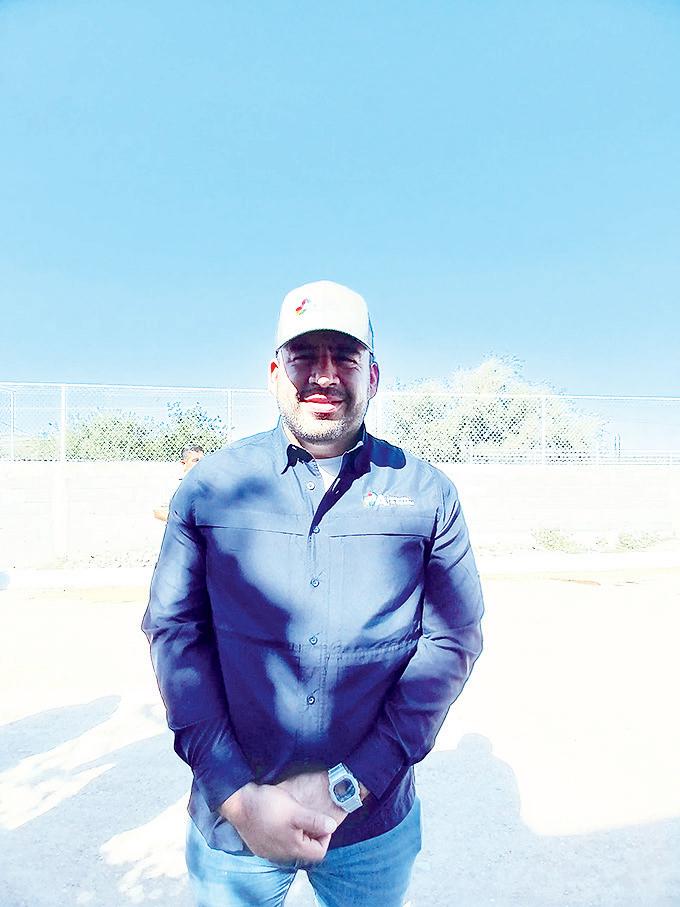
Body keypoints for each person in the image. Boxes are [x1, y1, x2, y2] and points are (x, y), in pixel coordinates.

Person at [142, 280, 484, 907]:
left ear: (372, 376)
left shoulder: (427, 494)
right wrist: (235, 795)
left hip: (370, 828)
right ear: (275, 373)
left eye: (344, 356)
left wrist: (350, 785)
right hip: (234, 827)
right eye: (304, 355)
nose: (324, 375)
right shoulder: (211, 487)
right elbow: (176, 635)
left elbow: (452, 641)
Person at [152, 444, 205, 522]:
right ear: (183, 463)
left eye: (202, 460)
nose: (200, 463)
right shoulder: (174, 484)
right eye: (196, 460)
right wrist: (184, 522)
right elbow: (158, 511)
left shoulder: (207, 483)